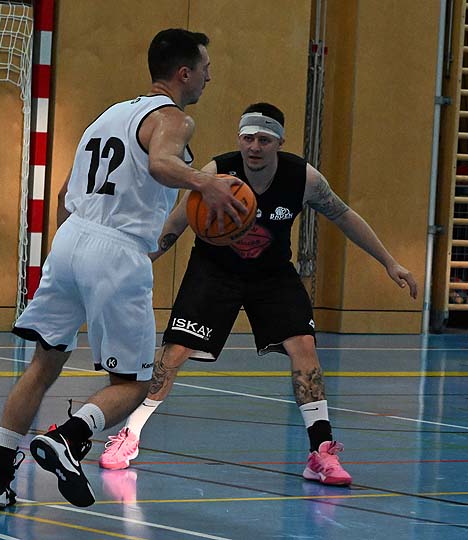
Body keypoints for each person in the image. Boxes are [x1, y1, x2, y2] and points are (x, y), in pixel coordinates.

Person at [0, 28, 248, 509]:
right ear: (183, 73)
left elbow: (65, 195)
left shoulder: (108, 116)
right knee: (135, 384)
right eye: (205, 68)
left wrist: (75, 250)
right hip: (117, 250)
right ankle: (69, 437)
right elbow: (162, 164)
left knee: (42, 366)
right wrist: (205, 183)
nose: (210, 77)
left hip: (70, 240)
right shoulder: (174, 119)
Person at [98, 102, 418, 486]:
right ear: (239, 139)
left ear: (279, 143)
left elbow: (344, 215)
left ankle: (321, 452)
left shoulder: (304, 178)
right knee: (175, 352)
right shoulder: (216, 173)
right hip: (214, 271)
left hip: (272, 274)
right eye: (248, 138)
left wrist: (389, 262)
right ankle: (130, 435)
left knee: (304, 346)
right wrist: (139, 261)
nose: (254, 146)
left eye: (264, 140)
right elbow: (176, 224)